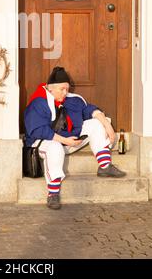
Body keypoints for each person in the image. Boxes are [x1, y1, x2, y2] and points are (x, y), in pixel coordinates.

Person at [24, 66, 126, 210]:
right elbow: (39, 130)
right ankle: (53, 193)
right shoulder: (38, 103)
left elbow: (90, 110)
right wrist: (65, 141)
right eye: (62, 89)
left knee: (96, 122)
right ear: (50, 88)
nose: (65, 92)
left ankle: (104, 166)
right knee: (54, 147)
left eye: (67, 89)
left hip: (70, 141)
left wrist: (107, 125)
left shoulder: (73, 100)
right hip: (46, 143)